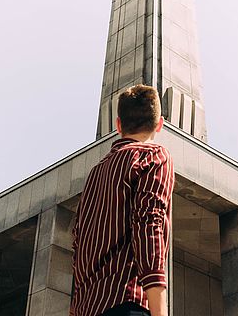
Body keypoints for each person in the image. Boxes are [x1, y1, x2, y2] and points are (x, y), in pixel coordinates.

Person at [69, 84, 175, 316]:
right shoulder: (154, 156)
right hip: (128, 301)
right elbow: (150, 225)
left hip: (90, 308)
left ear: (118, 125)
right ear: (160, 124)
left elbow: (79, 241)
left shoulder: (96, 173)